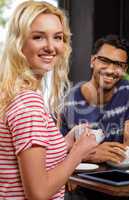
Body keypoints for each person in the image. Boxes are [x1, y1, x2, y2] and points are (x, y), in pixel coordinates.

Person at [0, 1, 98, 200]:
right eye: (38, 37)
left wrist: (65, 143)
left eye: (58, 37)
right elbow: (38, 193)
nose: (51, 47)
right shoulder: (29, 104)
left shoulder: (12, 93)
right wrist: (78, 153)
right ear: (19, 43)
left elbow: (27, 161)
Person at [60, 35, 129, 164]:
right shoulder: (68, 100)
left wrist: (82, 152)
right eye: (104, 61)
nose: (111, 70)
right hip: (76, 179)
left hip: (115, 178)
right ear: (92, 61)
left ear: (125, 69)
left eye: (118, 65)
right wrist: (91, 154)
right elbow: (57, 152)